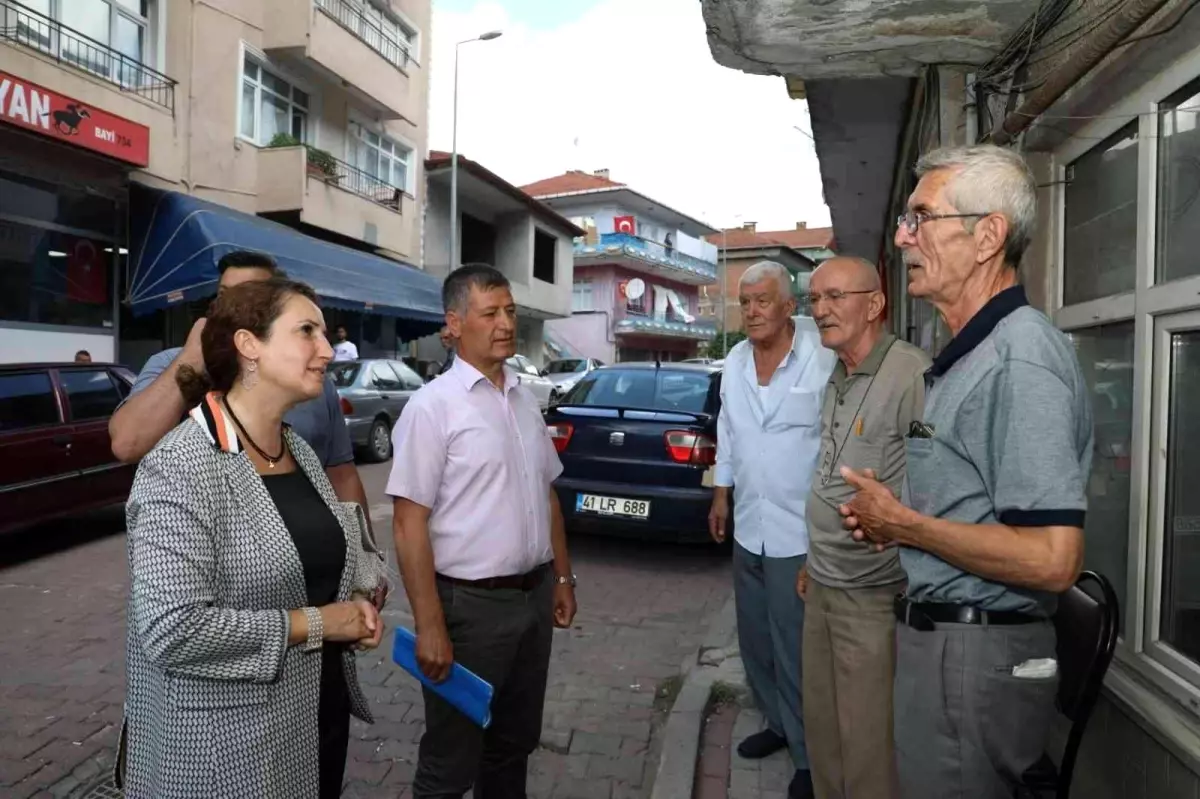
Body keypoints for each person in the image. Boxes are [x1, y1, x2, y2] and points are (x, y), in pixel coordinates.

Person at [839, 145, 1092, 799]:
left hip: (976, 659)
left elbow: (1052, 557)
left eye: (921, 217)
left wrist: (906, 524)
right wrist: (895, 522)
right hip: (949, 647)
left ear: (987, 236)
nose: (902, 236)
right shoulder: (972, 353)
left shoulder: (1021, 357)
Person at [119, 277, 385, 798]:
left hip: (311, 722)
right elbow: (173, 629)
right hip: (223, 753)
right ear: (249, 346)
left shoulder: (298, 452)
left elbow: (325, 557)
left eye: (325, 334)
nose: (327, 350)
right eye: (307, 331)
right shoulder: (180, 464)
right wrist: (321, 622)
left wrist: (360, 595)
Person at [388, 263, 578, 798]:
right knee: (450, 763)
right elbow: (408, 525)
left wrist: (562, 579)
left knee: (512, 747)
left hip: (533, 600)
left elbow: (546, 494)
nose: (505, 323)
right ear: (453, 324)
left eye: (511, 311)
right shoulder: (432, 408)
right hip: (469, 610)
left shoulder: (522, 397)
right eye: (490, 312)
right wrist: (430, 626)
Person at [108, 250, 374, 535]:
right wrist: (194, 357)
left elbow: (342, 477)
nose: (230, 308)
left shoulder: (312, 387)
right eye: (224, 296)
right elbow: (128, 444)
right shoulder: (171, 370)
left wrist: (365, 560)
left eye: (247, 297)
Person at [796, 256, 930, 799]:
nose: (821, 310)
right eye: (815, 300)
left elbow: (933, 494)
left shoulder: (912, 375)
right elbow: (833, 474)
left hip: (875, 594)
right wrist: (812, 559)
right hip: (824, 584)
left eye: (835, 297)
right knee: (824, 733)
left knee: (869, 745)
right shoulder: (840, 371)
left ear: (874, 304)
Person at [709, 261, 834, 799]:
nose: (753, 311)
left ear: (789, 307)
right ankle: (778, 724)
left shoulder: (823, 360)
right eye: (746, 302)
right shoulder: (736, 360)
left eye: (763, 301)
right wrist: (721, 492)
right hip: (749, 524)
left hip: (798, 533)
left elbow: (834, 445)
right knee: (755, 637)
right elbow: (729, 431)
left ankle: (810, 757)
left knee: (797, 645)